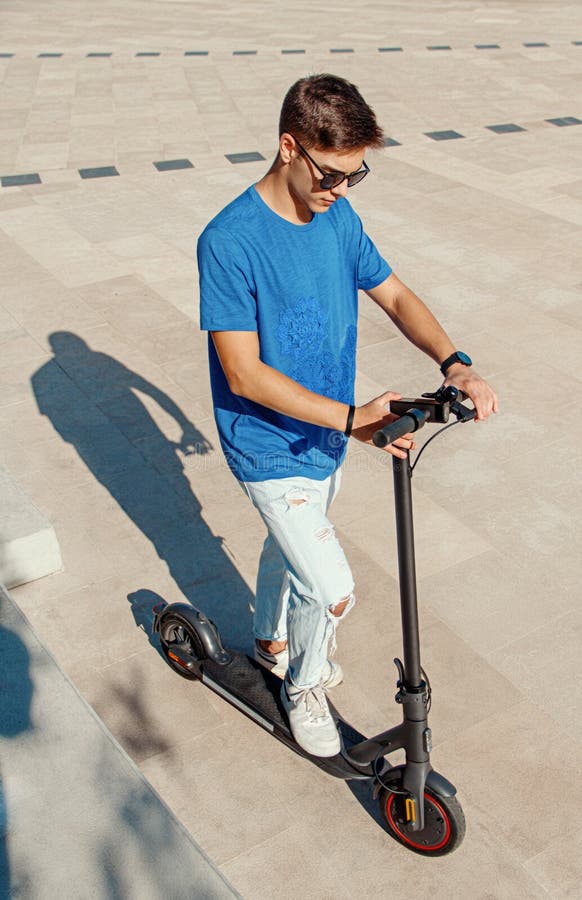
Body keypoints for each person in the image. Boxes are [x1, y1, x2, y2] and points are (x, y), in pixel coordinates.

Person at [197, 73, 498, 758]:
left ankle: (271, 640)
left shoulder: (338, 218)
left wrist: (456, 361)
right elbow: (244, 374)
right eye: (331, 174)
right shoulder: (229, 240)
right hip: (268, 443)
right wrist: (352, 418)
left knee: (291, 549)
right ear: (288, 148)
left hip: (326, 434)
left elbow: (394, 294)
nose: (340, 190)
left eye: (355, 176)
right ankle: (303, 687)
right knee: (331, 590)